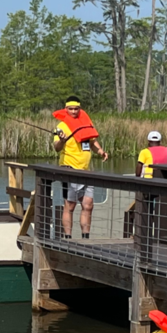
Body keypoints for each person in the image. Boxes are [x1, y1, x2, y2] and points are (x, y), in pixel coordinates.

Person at [53, 96, 108, 239]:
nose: (73, 111)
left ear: (80, 109)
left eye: (76, 109)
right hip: (69, 168)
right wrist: (62, 141)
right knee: (70, 205)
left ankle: (85, 237)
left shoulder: (85, 123)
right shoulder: (62, 126)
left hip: (86, 170)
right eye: (70, 109)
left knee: (88, 205)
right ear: (66, 109)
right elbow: (56, 148)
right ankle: (68, 237)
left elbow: (92, 141)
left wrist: (101, 151)